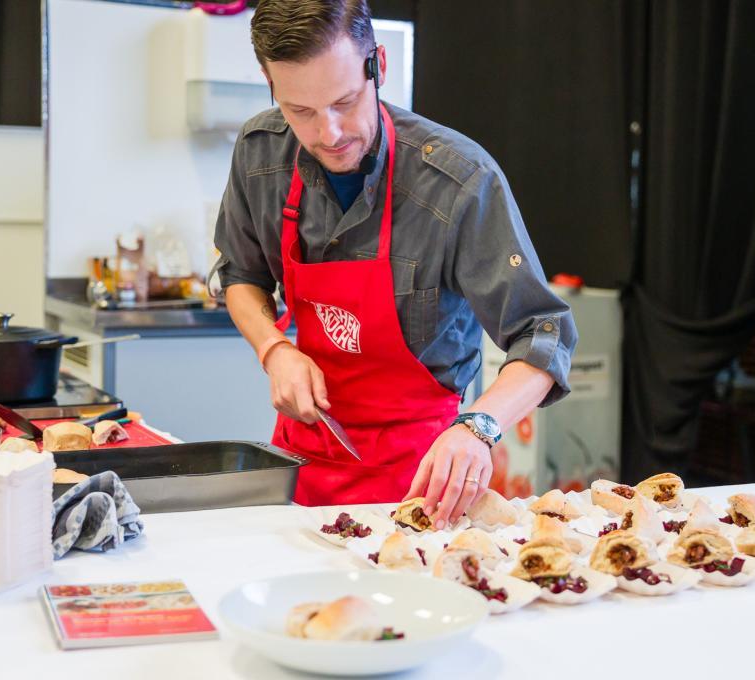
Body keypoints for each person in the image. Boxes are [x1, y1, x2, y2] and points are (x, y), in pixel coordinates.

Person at [214, 0, 576, 528]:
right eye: (301, 112)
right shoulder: (259, 153)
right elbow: (240, 276)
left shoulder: (457, 181)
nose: (329, 133)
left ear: (377, 64)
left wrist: (479, 427)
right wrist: (274, 350)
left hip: (424, 479)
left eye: (344, 101)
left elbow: (543, 334)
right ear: (269, 85)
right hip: (299, 473)